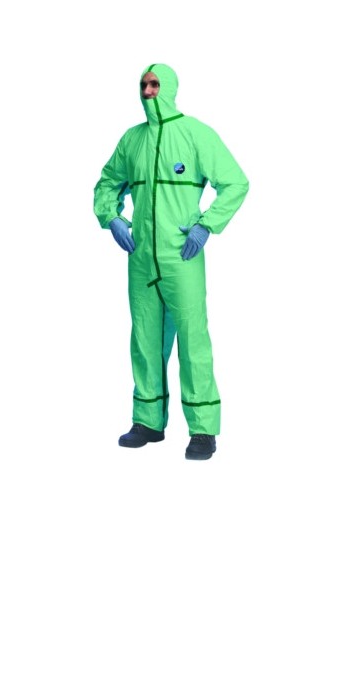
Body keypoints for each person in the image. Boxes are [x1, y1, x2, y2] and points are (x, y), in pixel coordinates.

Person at [93, 63, 249, 460]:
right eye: (143, 84)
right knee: (145, 341)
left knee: (193, 341)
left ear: (170, 87)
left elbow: (236, 181)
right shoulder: (132, 140)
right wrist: (111, 217)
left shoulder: (195, 134)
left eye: (155, 84)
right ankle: (147, 421)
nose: (148, 91)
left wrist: (207, 225)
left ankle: (203, 430)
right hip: (141, 258)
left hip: (182, 256)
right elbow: (107, 182)